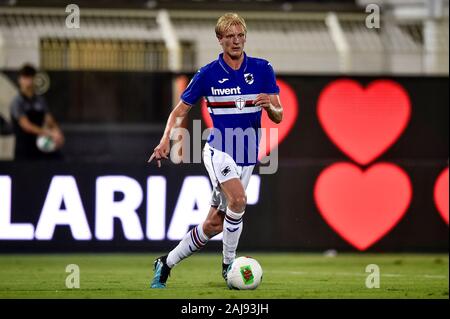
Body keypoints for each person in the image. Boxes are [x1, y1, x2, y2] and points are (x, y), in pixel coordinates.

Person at [148, 13, 283, 288]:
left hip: (248, 154)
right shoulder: (208, 74)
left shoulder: (263, 69)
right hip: (219, 149)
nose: (236, 41)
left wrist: (269, 106)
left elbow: (279, 115)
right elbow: (178, 111)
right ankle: (228, 265)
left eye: (240, 35)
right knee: (239, 200)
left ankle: (166, 263)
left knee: (214, 224)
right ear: (220, 40)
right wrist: (165, 141)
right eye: (229, 36)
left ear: (245, 37)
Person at [9, 64, 64, 161]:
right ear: (20, 80)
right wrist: (48, 133)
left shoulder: (40, 101)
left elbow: (49, 119)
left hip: (41, 148)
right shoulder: (17, 102)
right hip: (24, 150)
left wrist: (57, 133)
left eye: (30, 77)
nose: (28, 81)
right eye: (25, 77)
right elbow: (26, 126)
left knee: (58, 159)